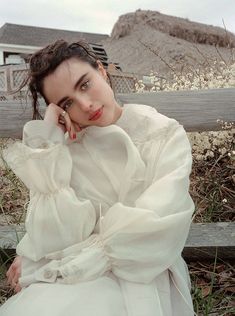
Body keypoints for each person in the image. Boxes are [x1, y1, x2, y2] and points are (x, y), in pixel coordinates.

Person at [0, 39, 195, 316]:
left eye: (84, 84)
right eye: (67, 102)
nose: (86, 104)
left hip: (143, 268)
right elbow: (59, 234)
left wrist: (71, 264)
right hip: (78, 273)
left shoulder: (163, 133)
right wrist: (51, 140)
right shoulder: (66, 149)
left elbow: (159, 220)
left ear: (101, 71)